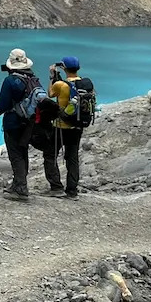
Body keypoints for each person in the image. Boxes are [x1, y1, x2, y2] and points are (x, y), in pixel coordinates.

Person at [0, 48, 48, 200]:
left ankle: (21, 188)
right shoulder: (32, 78)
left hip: (13, 123)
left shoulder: (10, 81)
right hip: (29, 123)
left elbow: (2, 105)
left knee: (15, 155)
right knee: (23, 152)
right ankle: (19, 183)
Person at [50, 56, 93, 198]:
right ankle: (72, 190)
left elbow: (51, 94)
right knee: (72, 157)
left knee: (50, 155)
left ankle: (56, 186)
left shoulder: (61, 85)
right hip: (77, 125)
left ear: (63, 68)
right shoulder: (85, 84)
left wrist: (53, 76)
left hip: (61, 126)